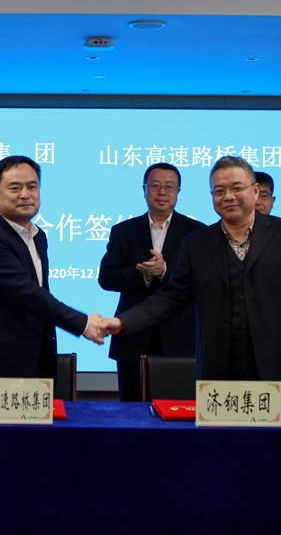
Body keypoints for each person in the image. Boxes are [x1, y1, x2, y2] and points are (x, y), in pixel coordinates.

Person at [102, 156, 281, 402]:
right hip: (216, 369)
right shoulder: (197, 243)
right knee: (218, 428)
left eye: (237, 188)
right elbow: (170, 298)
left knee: (273, 428)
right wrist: (123, 322)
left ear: (255, 190)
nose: (228, 196)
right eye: (219, 190)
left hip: (274, 367)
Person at [0, 155, 106, 395]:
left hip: (31, 360)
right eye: (15, 188)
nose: (25, 194)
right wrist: (82, 323)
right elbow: (27, 293)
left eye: (32, 186)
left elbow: (40, 292)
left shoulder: (38, 236)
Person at [99, 163, 206, 401]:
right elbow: (106, 278)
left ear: (178, 191)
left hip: (180, 337)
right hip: (132, 334)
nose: (162, 192)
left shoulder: (197, 232)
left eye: (169, 186)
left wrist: (165, 271)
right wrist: (144, 275)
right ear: (144, 189)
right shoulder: (123, 231)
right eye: (155, 186)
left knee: (179, 408)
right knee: (131, 408)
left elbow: (201, 280)